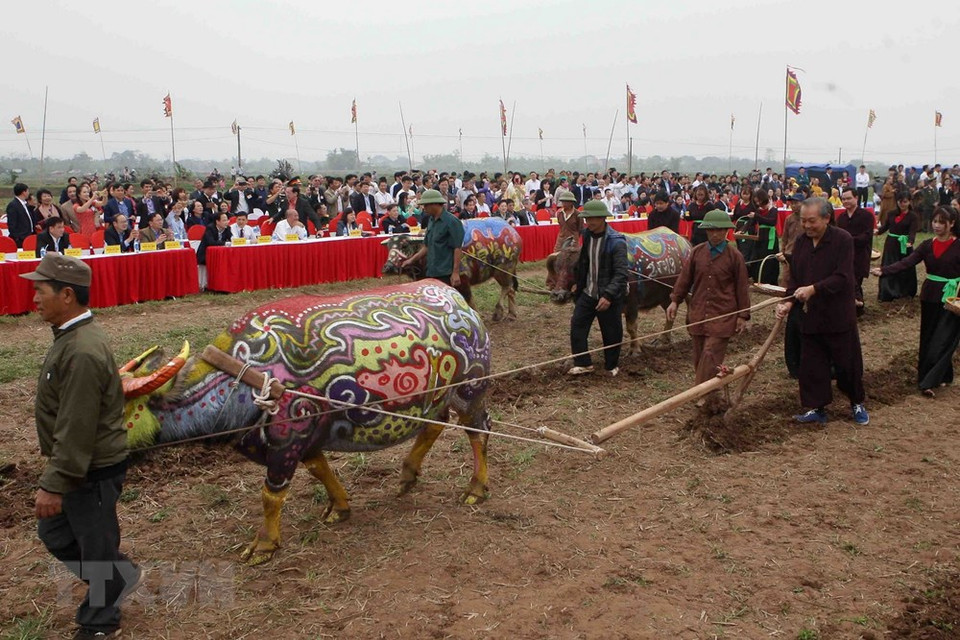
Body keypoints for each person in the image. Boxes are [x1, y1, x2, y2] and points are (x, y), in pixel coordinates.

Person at [20, 253, 140, 639]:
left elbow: (76, 425)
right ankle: (118, 577)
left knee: (96, 546)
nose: (34, 298)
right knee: (56, 534)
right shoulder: (71, 338)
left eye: (40, 291)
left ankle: (100, 622)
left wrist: (54, 482)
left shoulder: (82, 350)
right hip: (79, 465)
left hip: (91, 468)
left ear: (66, 295)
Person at [775, 197, 868, 425]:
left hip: (837, 315)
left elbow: (843, 276)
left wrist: (814, 289)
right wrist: (788, 301)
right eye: (803, 221)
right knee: (812, 365)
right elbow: (795, 277)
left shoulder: (842, 240)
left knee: (847, 364)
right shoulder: (801, 242)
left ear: (827, 218)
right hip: (811, 315)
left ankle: (856, 402)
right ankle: (817, 408)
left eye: (812, 221)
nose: (806, 226)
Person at [872, 207, 959, 396]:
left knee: (943, 339)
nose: (936, 225)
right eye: (934, 221)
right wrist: (885, 270)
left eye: (941, 222)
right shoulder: (927, 245)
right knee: (928, 338)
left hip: (952, 298)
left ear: (951, 223)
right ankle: (942, 375)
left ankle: (929, 382)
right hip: (930, 296)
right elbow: (908, 261)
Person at [667, 210, 751, 384]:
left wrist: (743, 316)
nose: (715, 234)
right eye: (711, 230)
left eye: (720, 230)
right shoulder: (697, 252)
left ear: (726, 231)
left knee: (710, 354)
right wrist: (675, 301)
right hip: (698, 314)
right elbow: (684, 279)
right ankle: (707, 393)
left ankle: (703, 395)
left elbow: (742, 287)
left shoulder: (735, 257)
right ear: (705, 231)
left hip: (723, 316)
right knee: (699, 356)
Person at [566, 200, 629, 377]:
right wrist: (579, 282)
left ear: (602, 218)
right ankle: (583, 362)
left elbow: (621, 274)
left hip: (608, 296)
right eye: (587, 219)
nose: (589, 223)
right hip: (588, 292)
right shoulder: (586, 235)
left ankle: (611, 365)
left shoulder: (616, 242)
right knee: (577, 325)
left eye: (592, 219)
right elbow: (584, 263)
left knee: (611, 332)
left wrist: (608, 296)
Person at [401, 189, 464, 288]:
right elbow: (427, 246)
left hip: (445, 272)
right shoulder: (430, 220)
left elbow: (457, 248)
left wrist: (455, 272)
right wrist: (411, 260)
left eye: (426, 205)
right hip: (431, 270)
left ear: (435, 204)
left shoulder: (452, 222)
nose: (424, 208)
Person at [875, 190, 920, 301]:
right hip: (891, 243)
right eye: (900, 201)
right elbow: (886, 226)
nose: (902, 204)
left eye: (904, 201)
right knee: (889, 265)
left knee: (904, 267)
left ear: (909, 202)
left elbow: (912, 231)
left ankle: (905, 291)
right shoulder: (891, 213)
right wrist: (877, 231)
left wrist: (910, 241)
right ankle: (888, 292)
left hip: (904, 245)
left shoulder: (913, 216)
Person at [837, 186, 875, 315]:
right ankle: (851, 307)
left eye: (848, 198)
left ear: (856, 198)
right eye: (843, 199)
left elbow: (867, 236)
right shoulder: (841, 217)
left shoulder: (866, 216)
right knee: (847, 280)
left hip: (860, 254)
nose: (846, 201)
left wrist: (848, 240)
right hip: (844, 255)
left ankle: (858, 307)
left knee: (856, 280)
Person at [7, 182, 36, 247]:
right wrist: (17, 237)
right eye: (27, 191)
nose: (28, 193)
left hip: (29, 236)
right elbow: (12, 224)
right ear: (24, 192)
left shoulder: (25, 204)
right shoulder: (13, 205)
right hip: (20, 238)